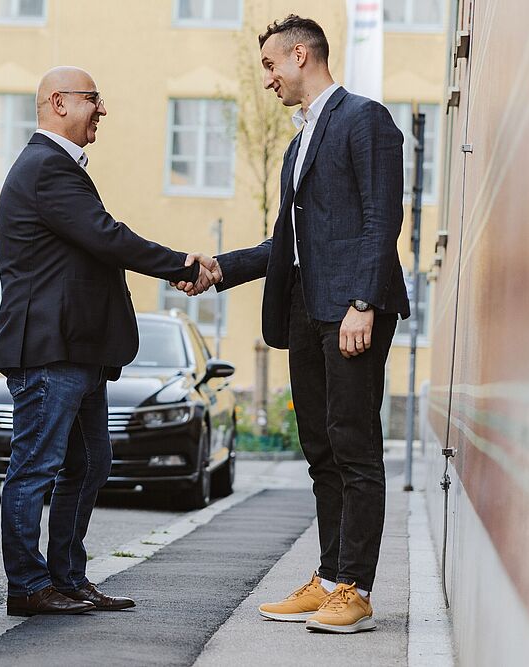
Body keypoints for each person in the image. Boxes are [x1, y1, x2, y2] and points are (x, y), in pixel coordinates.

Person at [180, 15, 409, 634]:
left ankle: (356, 591)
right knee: (320, 445)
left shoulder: (366, 119)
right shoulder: (299, 140)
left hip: (350, 310)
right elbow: (286, 242)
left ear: (300, 55)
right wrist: (217, 268)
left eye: (270, 66)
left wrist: (362, 302)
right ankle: (332, 578)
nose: (267, 80)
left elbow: (382, 217)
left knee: (354, 443)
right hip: (306, 309)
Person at [0, 65, 220, 617]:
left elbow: (95, 244)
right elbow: (107, 236)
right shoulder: (48, 168)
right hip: (51, 351)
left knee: (90, 464)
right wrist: (181, 264)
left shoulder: (55, 168)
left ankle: (67, 579)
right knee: (35, 468)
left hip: (78, 351)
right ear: (59, 102)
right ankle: (29, 586)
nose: (102, 109)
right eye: (93, 98)